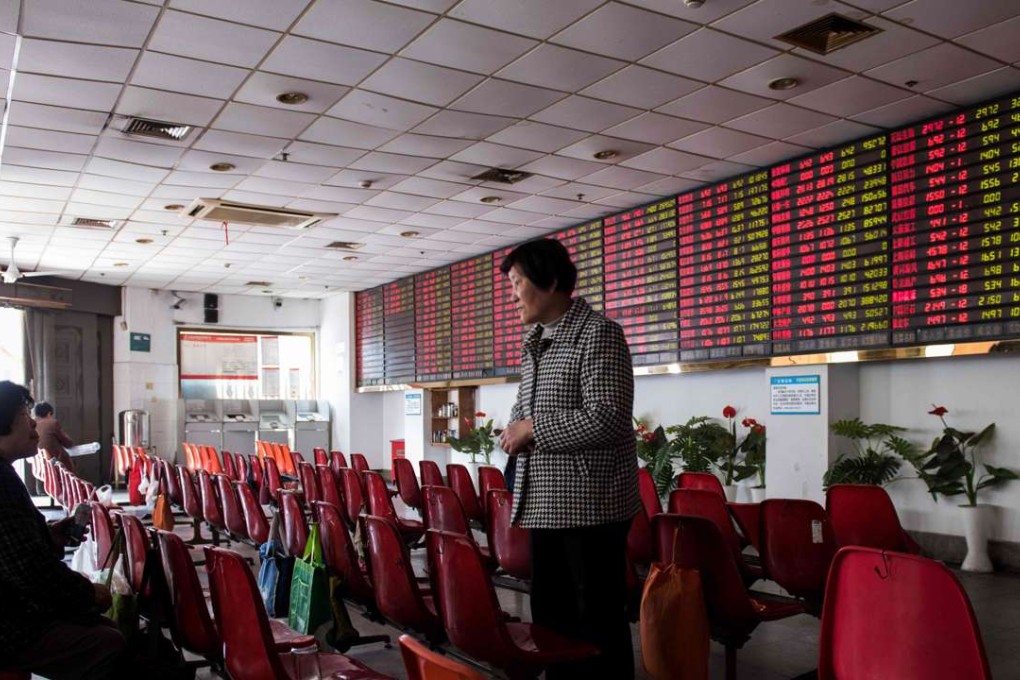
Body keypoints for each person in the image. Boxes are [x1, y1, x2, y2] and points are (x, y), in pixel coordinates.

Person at [498, 238, 640, 679]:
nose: (512, 294)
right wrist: (515, 427)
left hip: (591, 506)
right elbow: (528, 408)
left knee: (595, 621)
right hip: (545, 503)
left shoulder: (599, 334)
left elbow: (610, 417)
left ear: (551, 281)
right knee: (552, 617)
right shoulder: (535, 340)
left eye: (517, 283)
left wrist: (534, 428)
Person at [0, 381, 126, 679]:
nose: (32, 422)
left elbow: (19, 551)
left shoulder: (6, 473)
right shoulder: (2, 482)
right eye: (22, 413)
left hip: (15, 607)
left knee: (104, 629)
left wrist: (48, 537)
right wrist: (86, 594)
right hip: (10, 625)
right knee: (109, 642)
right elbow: (28, 570)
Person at [33, 401, 76, 473]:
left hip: (40, 465)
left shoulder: (32, 424)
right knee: (71, 461)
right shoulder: (52, 423)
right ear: (49, 413)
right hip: (55, 464)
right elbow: (68, 444)